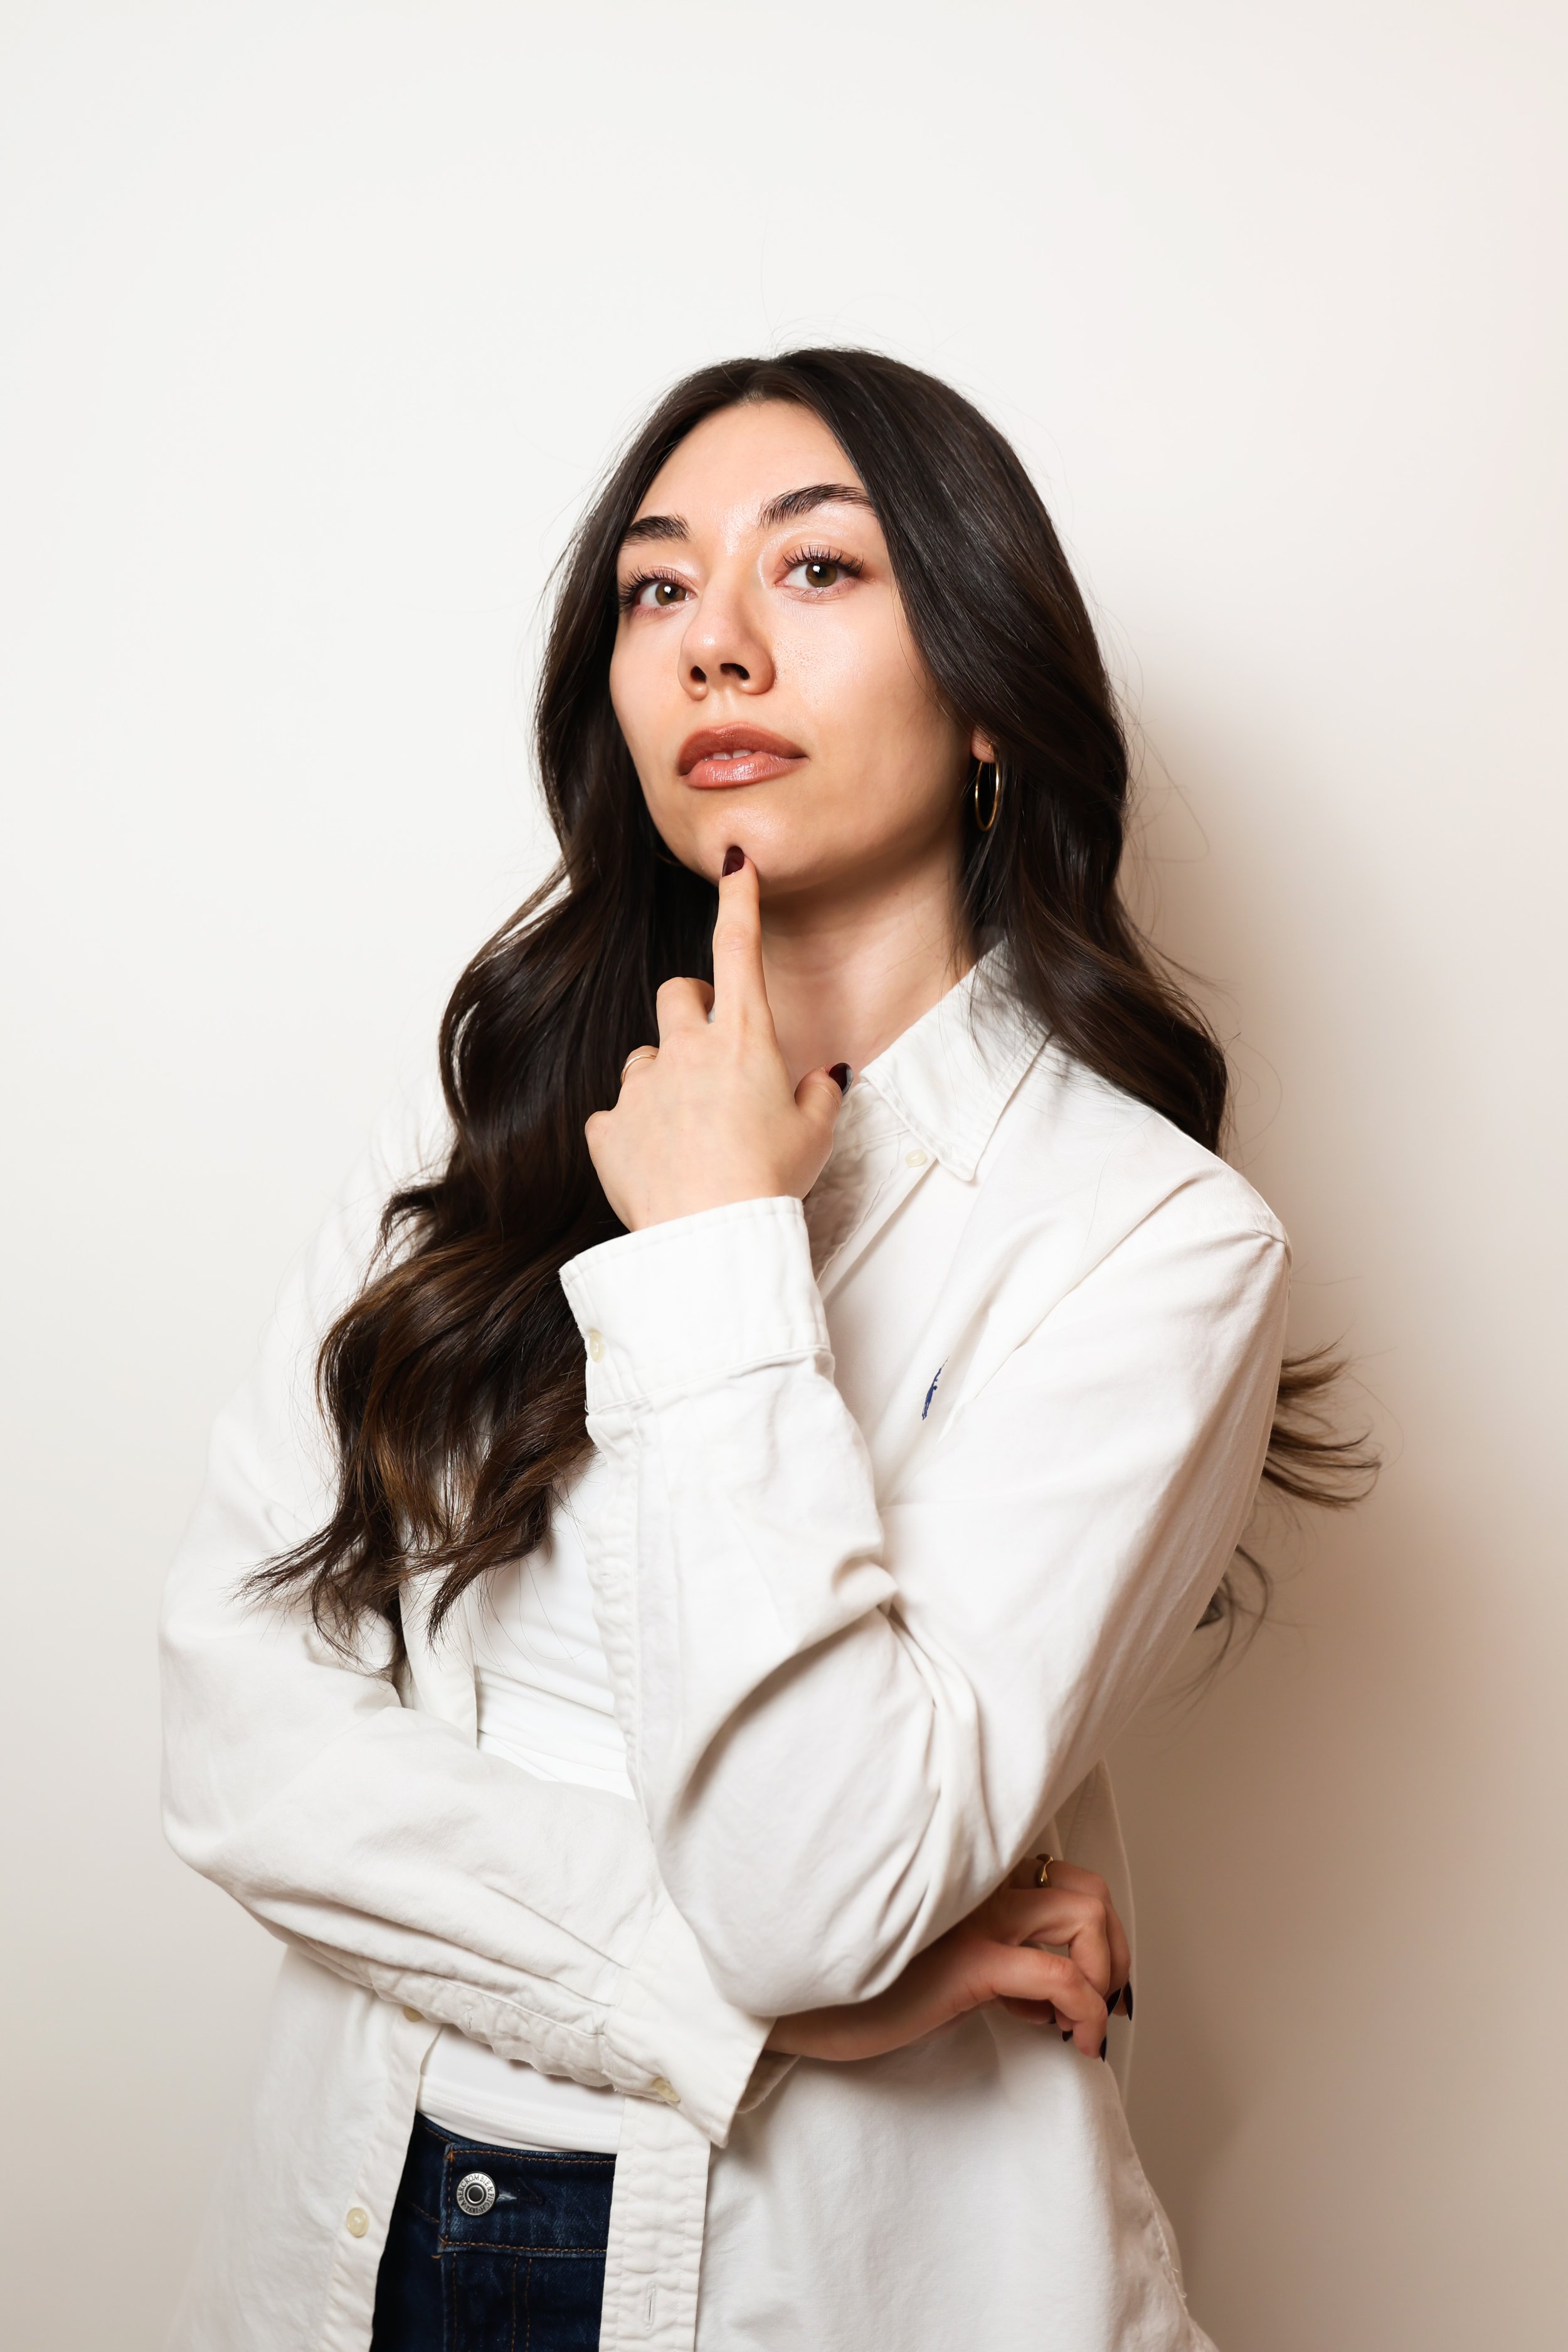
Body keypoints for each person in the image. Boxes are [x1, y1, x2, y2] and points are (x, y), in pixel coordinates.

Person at [161, 348, 1363, 2352]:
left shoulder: (1150, 1243)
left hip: (809, 2277)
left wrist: (721, 1248)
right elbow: (235, 1733)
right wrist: (749, 1998)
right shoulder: (473, 1123)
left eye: (816, 575)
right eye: (655, 591)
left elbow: (815, 1884)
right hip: (354, 2218)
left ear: (986, 692)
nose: (714, 644)